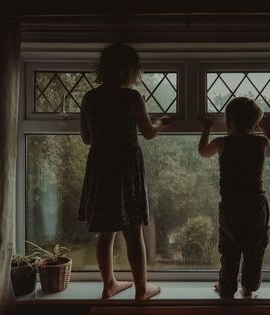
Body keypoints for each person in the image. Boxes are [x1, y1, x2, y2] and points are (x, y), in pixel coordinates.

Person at [77, 43, 170, 300]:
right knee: (133, 229)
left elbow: (86, 138)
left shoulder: (89, 98)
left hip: (100, 165)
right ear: (131, 70)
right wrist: (162, 122)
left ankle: (109, 284)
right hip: (125, 167)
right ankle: (141, 289)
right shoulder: (131, 97)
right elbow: (149, 133)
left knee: (105, 232)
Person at [198, 97, 270, 299]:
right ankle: (249, 288)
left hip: (231, 206)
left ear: (228, 121)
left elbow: (202, 152)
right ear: (255, 123)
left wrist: (206, 127)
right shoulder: (261, 142)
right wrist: (267, 129)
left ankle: (226, 287)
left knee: (230, 248)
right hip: (255, 205)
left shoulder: (222, 142)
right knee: (254, 247)